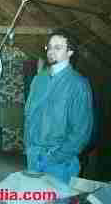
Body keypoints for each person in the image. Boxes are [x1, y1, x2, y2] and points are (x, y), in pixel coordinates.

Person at [23, 30, 94, 184]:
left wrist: (56, 156)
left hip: (60, 163)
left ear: (70, 52)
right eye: (49, 47)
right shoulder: (38, 79)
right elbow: (28, 114)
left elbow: (81, 132)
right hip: (34, 156)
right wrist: (28, 146)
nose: (51, 51)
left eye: (58, 47)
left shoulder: (78, 84)